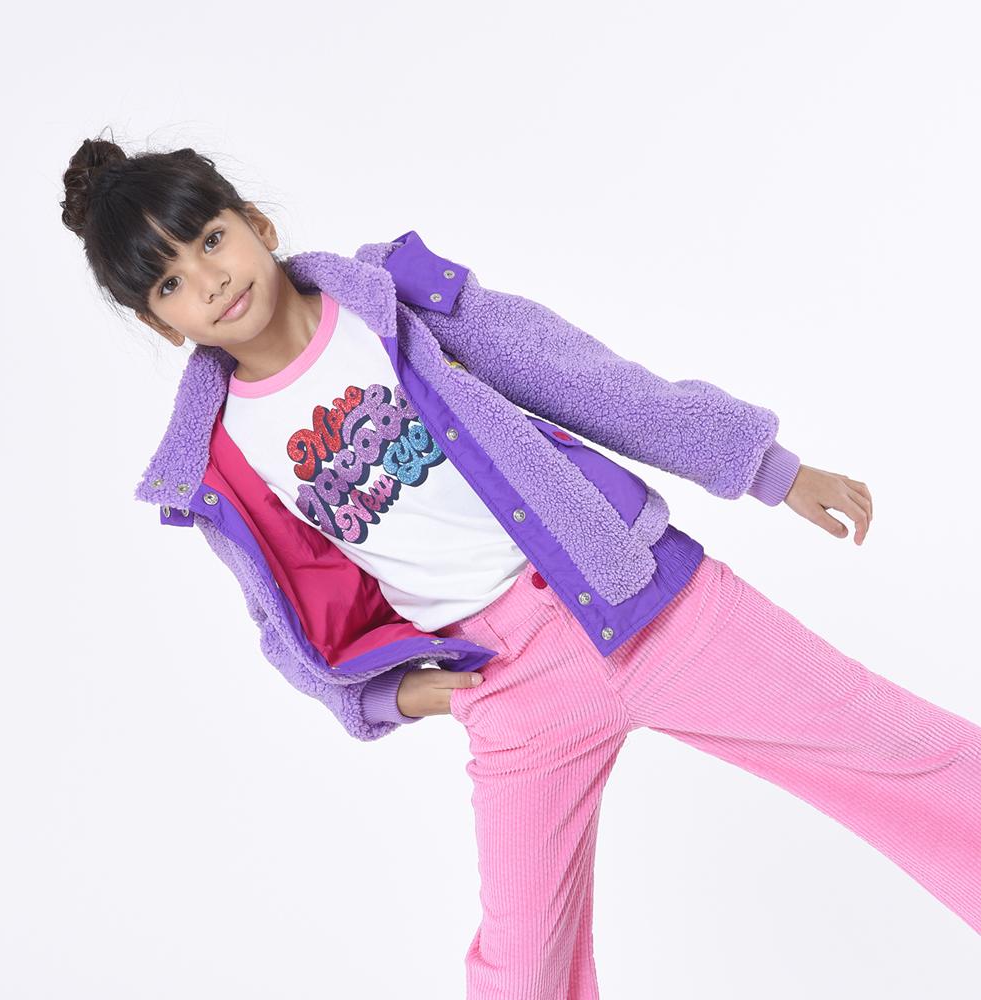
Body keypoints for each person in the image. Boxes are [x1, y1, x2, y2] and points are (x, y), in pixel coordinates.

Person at [61, 133, 981, 997]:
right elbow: (284, 618)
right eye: (172, 283)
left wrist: (768, 469)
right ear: (160, 323)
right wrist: (390, 696)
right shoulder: (217, 459)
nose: (211, 280)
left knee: (897, 748)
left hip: (645, 600)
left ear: (257, 224)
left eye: (211, 239)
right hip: (508, 684)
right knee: (523, 965)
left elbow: (583, 377)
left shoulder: (394, 303)